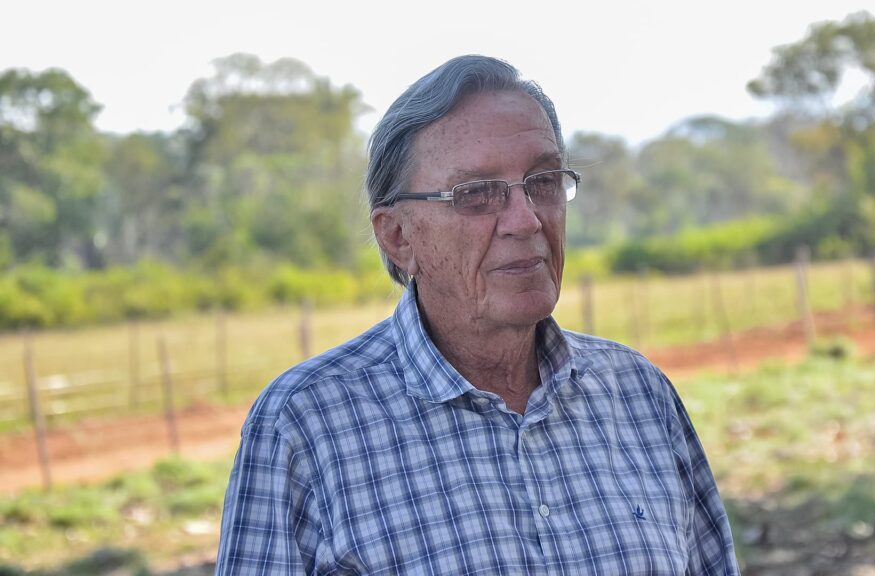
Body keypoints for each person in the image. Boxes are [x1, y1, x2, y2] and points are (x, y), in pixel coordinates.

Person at [216, 55, 739, 575]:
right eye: (477, 194)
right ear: (398, 236)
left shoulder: (638, 393)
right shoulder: (306, 423)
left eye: (544, 180)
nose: (526, 219)